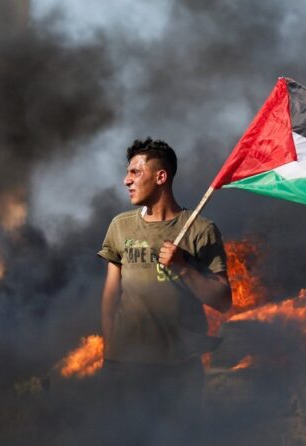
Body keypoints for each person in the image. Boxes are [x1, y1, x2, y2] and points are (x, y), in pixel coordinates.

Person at [96, 137, 231, 427]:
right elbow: (110, 296)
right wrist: (110, 354)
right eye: (127, 172)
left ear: (161, 177)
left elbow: (223, 300)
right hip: (126, 368)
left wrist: (183, 267)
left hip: (179, 370)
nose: (126, 180)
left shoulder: (201, 230)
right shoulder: (120, 227)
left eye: (135, 172)